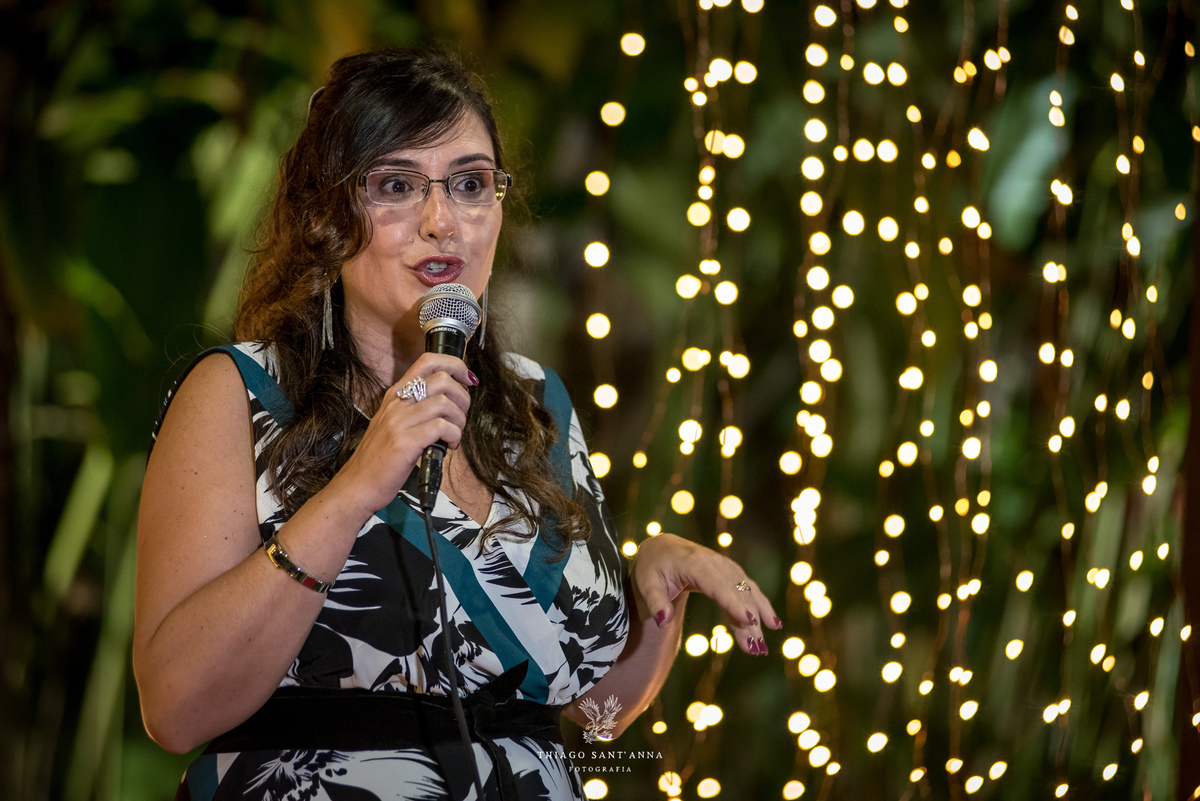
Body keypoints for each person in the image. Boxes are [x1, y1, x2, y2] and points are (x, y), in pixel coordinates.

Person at [133, 46, 780, 801]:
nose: (443, 221)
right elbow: (176, 708)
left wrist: (656, 593)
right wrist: (352, 491)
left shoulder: (536, 407)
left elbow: (594, 714)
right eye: (398, 186)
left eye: (471, 184)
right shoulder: (239, 392)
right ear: (321, 215)